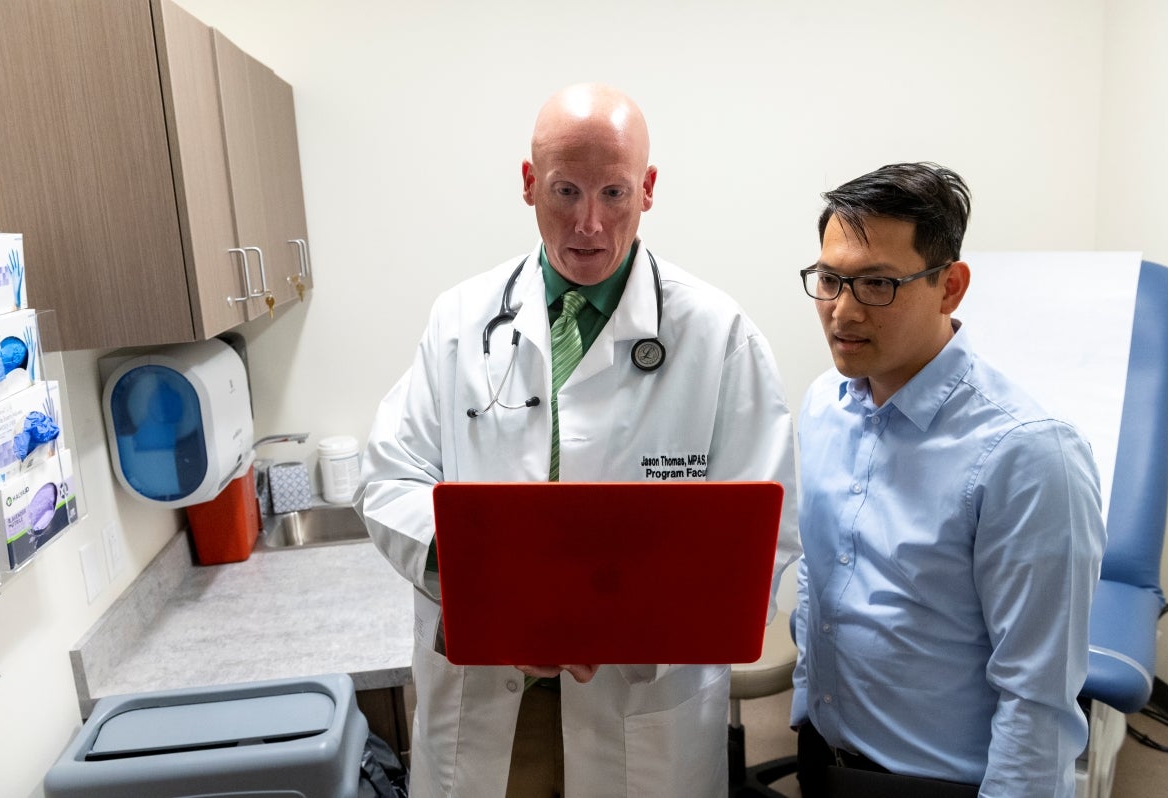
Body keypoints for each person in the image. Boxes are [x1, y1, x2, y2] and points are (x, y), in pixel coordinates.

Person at [358, 83, 799, 798]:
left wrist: (630, 627)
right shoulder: (459, 321)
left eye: (614, 193)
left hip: (640, 702)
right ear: (529, 184)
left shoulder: (719, 336)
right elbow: (388, 477)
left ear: (648, 189)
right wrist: (483, 582)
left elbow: (768, 534)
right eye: (565, 191)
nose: (589, 224)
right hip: (491, 702)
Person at [791, 162, 1106, 797]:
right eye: (829, 280)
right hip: (822, 752)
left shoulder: (1028, 453)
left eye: (878, 284)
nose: (843, 312)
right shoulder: (825, 403)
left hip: (941, 782)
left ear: (950, 286)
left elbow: (1038, 697)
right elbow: (818, 572)